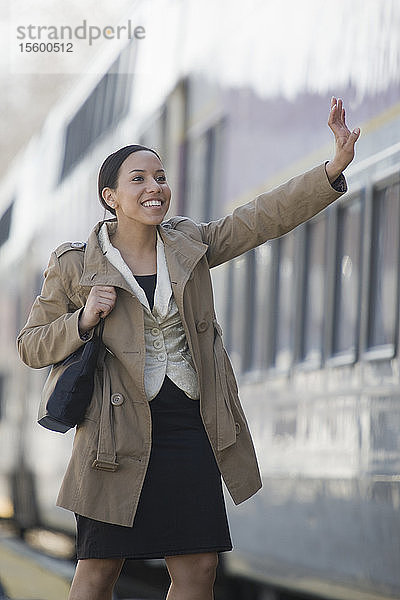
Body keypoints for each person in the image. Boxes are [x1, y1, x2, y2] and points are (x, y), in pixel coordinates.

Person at [17, 97, 359, 600]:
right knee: (98, 572)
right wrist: (83, 318)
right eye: (140, 179)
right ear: (110, 196)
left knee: (198, 568)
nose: (155, 187)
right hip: (114, 434)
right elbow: (31, 345)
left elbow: (260, 219)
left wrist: (331, 170)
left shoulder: (189, 243)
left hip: (189, 425)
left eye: (160, 177)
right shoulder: (73, 265)